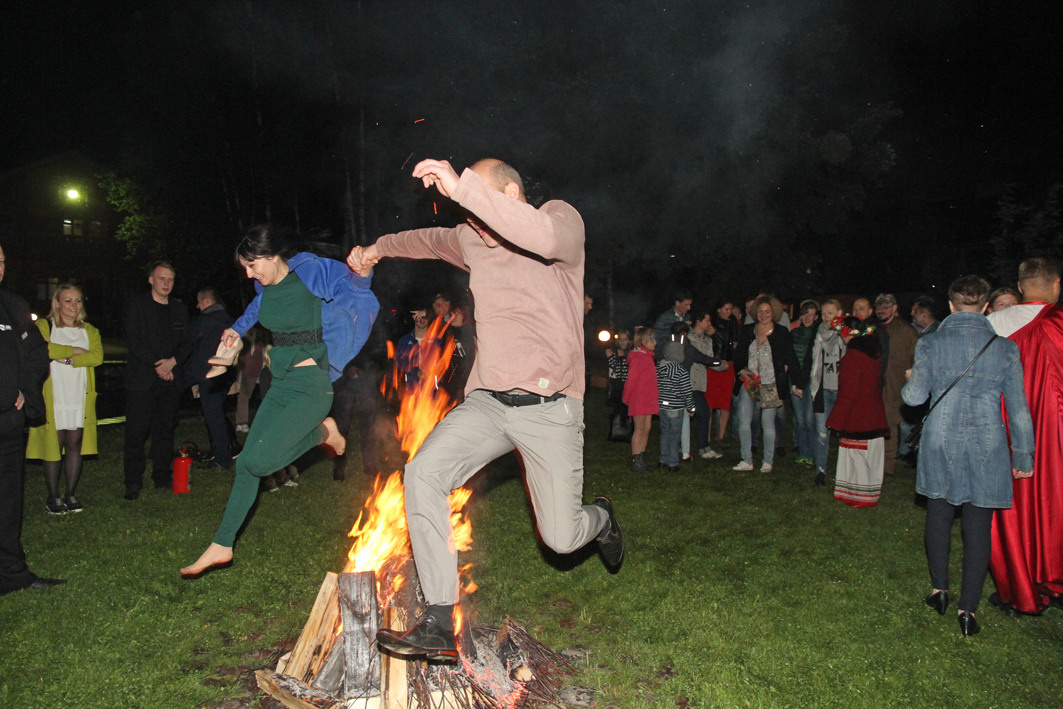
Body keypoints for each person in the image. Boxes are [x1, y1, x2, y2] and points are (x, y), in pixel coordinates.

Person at [348, 158, 623, 662]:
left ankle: (600, 518)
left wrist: (464, 189)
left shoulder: (560, 222)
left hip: (550, 411)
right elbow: (427, 239)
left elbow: (539, 235)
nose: (472, 223)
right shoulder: (473, 237)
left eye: (477, 206)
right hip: (488, 404)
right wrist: (374, 250)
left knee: (561, 540)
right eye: (467, 213)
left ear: (511, 192)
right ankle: (437, 618)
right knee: (423, 474)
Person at [180, 224, 378, 578]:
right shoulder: (265, 288)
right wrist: (233, 336)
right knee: (245, 465)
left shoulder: (310, 271)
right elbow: (254, 311)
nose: (249, 273)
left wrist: (363, 271)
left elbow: (351, 284)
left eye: (253, 265)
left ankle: (322, 433)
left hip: (310, 386)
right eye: (245, 268)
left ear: (272, 256)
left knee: (260, 461)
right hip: (282, 384)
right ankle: (222, 544)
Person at [902, 275, 1033, 636]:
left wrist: (911, 377)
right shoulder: (1004, 347)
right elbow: (1019, 409)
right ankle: (968, 611)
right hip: (987, 444)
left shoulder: (932, 341)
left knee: (939, 515)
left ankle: (939, 590)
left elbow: (913, 399)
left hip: (940, 441)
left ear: (950, 305)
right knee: (979, 526)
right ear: (986, 306)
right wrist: (1024, 457)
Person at [986, 257, 1063, 615]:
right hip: (1055, 438)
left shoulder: (995, 324)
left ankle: (1020, 588)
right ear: (1056, 284)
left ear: (1019, 288)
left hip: (1010, 437)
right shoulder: (1058, 323)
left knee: (1014, 509)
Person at [0, 245, 66, 595]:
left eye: (2, 262)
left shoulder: (13, 305)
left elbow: (37, 353)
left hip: (9, 423)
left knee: (9, 501)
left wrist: (23, 390)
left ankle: (12, 573)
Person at [26, 284, 103, 513]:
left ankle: (70, 494)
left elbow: (97, 357)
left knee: (74, 444)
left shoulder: (89, 330)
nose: (73, 305)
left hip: (78, 395)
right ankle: (53, 497)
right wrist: (76, 350)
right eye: (68, 300)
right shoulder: (43, 326)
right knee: (53, 444)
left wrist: (66, 357)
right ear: (57, 302)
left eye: (78, 300)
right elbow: (42, 351)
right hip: (54, 394)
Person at [122, 260, 189, 500]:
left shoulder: (180, 309)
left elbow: (186, 344)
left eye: (170, 279)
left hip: (170, 379)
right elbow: (133, 341)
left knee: (165, 430)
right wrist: (159, 365)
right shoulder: (137, 305)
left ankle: (162, 476)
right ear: (151, 279)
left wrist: (172, 362)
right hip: (142, 380)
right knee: (137, 432)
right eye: (162, 278)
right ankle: (132, 481)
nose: (166, 283)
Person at [732, 296, 801, 473]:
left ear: (774, 313)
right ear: (755, 312)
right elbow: (738, 355)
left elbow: (790, 357)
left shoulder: (781, 332)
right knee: (744, 421)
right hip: (750, 383)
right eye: (760, 311)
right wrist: (741, 370)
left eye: (767, 311)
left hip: (771, 384)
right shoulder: (747, 331)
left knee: (767, 423)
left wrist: (790, 375)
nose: (763, 315)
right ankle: (746, 459)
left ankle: (767, 461)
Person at [826, 317, 889, 507]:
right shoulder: (873, 353)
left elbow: (848, 392)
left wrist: (835, 420)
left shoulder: (852, 357)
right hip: (874, 411)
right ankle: (869, 494)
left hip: (858, 415)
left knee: (857, 456)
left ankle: (859, 497)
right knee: (870, 457)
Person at [183, 287, 237, 471]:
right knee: (217, 415)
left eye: (199, 302)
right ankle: (222, 451)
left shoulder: (203, 322)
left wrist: (188, 376)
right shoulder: (229, 320)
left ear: (206, 301)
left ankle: (222, 459)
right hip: (225, 376)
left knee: (213, 417)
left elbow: (191, 347)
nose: (197, 306)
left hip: (209, 375)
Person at [874, 293, 918, 476]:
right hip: (875, 384)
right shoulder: (873, 329)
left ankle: (887, 466)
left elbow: (917, 359)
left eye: (885, 306)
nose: (881, 310)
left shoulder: (906, 331)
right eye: (878, 307)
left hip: (895, 386)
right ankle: (875, 462)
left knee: (890, 425)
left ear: (895, 307)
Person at [808, 299, 845, 485]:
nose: (825, 317)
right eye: (823, 313)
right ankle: (820, 470)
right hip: (824, 389)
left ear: (839, 313)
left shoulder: (846, 334)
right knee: (822, 432)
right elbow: (813, 360)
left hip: (842, 391)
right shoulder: (819, 333)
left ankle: (844, 472)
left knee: (843, 434)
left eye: (830, 313)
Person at [623, 326, 658, 472]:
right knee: (639, 429)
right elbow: (631, 380)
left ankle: (641, 458)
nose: (655, 342)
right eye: (651, 340)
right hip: (638, 398)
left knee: (647, 427)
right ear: (642, 341)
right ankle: (636, 459)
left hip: (648, 398)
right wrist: (626, 398)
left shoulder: (648, 356)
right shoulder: (638, 358)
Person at [790, 300, 820, 467]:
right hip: (794, 380)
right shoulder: (794, 334)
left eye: (811, 314)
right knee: (800, 420)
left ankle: (813, 453)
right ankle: (803, 453)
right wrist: (795, 382)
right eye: (805, 314)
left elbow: (813, 361)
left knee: (809, 419)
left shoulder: (818, 335)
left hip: (810, 381)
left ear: (816, 317)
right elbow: (791, 359)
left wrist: (803, 382)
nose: (808, 318)